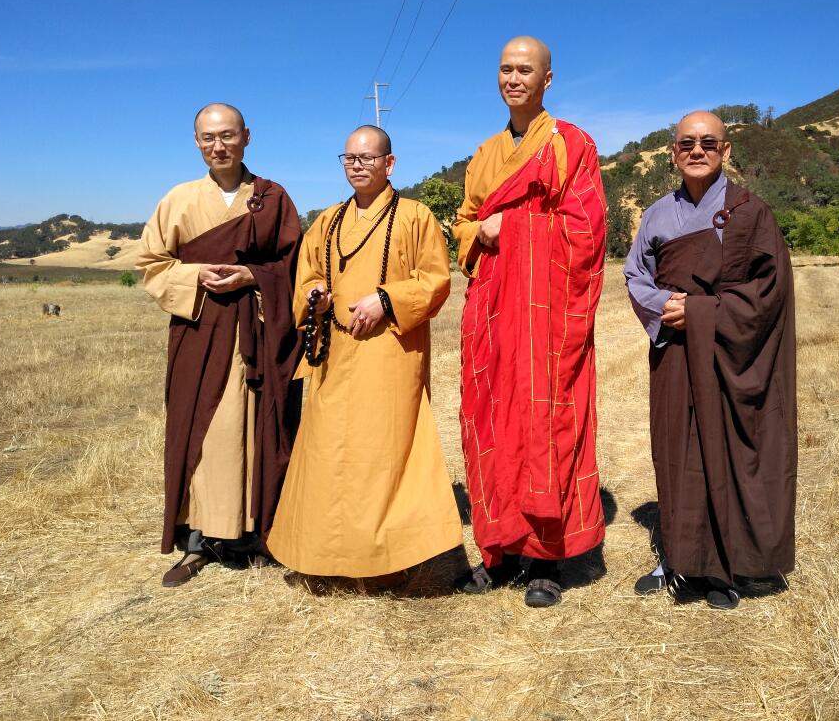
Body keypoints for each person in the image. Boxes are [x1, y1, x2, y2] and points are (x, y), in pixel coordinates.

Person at [265, 125, 462, 581]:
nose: (357, 165)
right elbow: (308, 273)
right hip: (336, 355)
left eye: (367, 158)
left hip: (390, 354)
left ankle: (388, 561)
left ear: (389, 164)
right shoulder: (329, 220)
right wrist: (314, 293)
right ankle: (324, 557)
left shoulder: (415, 217)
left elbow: (435, 281)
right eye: (349, 158)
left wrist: (386, 299)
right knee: (327, 454)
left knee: (385, 454)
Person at [452, 36, 607, 608]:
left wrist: (510, 230)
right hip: (493, 306)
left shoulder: (572, 144)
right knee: (493, 418)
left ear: (547, 79)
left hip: (546, 309)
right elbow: (465, 224)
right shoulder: (486, 153)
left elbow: (587, 229)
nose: (514, 78)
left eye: (526, 70)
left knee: (544, 423)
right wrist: (483, 232)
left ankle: (544, 558)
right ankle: (499, 548)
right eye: (505, 69)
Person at [624, 110, 797, 610]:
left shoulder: (751, 212)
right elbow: (636, 276)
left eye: (707, 142)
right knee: (677, 451)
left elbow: (770, 291)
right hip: (676, 350)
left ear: (726, 150)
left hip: (728, 352)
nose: (696, 151)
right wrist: (666, 308)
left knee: (722, 451)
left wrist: (702, 310)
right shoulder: (657, 214)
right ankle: (679, 559)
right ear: (673, 153)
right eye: (685, 144)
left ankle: (724, 566)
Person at [138, 103, 303, 587]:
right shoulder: (181, 199)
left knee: (257, 426)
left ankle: (260, 532)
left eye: (228, 135)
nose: (219, 145)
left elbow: (296, 265)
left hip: (257, 327)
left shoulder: (273, 197)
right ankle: (200, 540)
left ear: (246, 137)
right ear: (196, 142)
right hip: (199, 328)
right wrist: (195, 274)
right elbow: (151, 262)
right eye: (208, 138)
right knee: (203, 432)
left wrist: (253, 275)